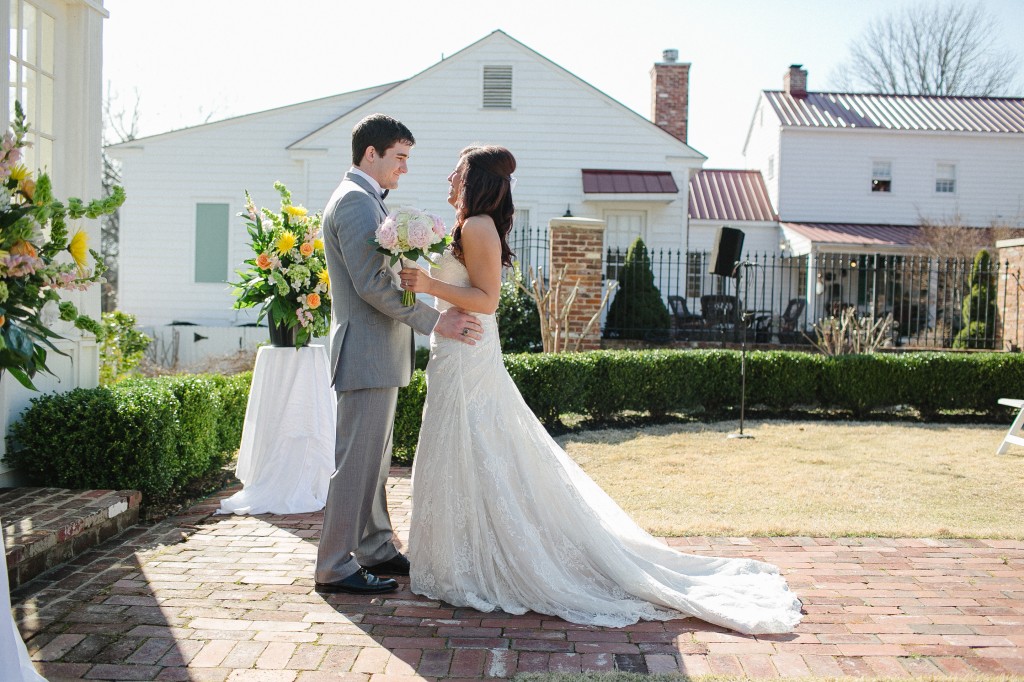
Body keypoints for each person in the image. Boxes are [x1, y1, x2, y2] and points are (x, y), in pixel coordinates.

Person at [398, 145, 803, 633]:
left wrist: (427, 284)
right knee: (470, 450)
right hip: (457, 352)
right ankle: (459, 554)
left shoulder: (476, 226)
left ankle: (480, 558)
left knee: (481, 448)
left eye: (457, 170)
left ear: (475, 179)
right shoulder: (470, 226)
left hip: (469, 355)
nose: (448, 175)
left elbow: (486, 301)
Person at [314, 114, 483, 596]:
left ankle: (375, 546)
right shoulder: (353, 203)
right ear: (372, 154)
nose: (405, 168)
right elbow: (372, 284)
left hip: (378, 352)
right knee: (357, 463)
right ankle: (333, 564)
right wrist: (435, 321)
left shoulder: (367, 201)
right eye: (400, 158)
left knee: (376, 458)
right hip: (365, 353)